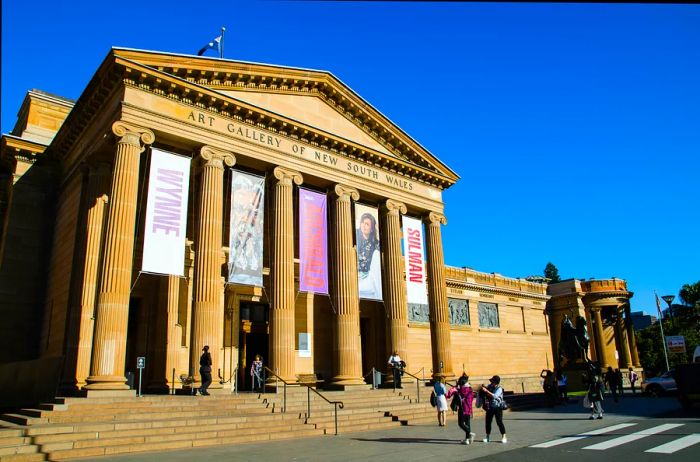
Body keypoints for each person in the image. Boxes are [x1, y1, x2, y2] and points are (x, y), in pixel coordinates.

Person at [356, 212, 382, 300]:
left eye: (367, 224)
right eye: (362, 222)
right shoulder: (355, 235)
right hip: (353, 273)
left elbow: (383, 248)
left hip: (366, 277)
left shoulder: (374, 243)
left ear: (371, 229)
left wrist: (379, 231)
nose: (363, 225)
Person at [446, 375, 475, 444]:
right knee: (467, 424)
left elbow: (448, 395)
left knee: (461, 423)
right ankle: (467, 439)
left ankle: (470, 433)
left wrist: (454, 387)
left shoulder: (458, 390)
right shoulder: (470, 389)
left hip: (462, 409)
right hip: (469, 409)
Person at [480, 375, 507, 444]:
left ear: (496, 382)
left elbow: (495, 396)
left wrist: (487, 391)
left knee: (499, 422)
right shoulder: (489, 387)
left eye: (492, 381)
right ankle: (487, 437)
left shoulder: (499, 389)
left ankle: (504, 436)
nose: (491, 382)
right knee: (488, 422)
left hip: (498, 407)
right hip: (490, 407)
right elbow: (485, 393)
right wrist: (483, 389)